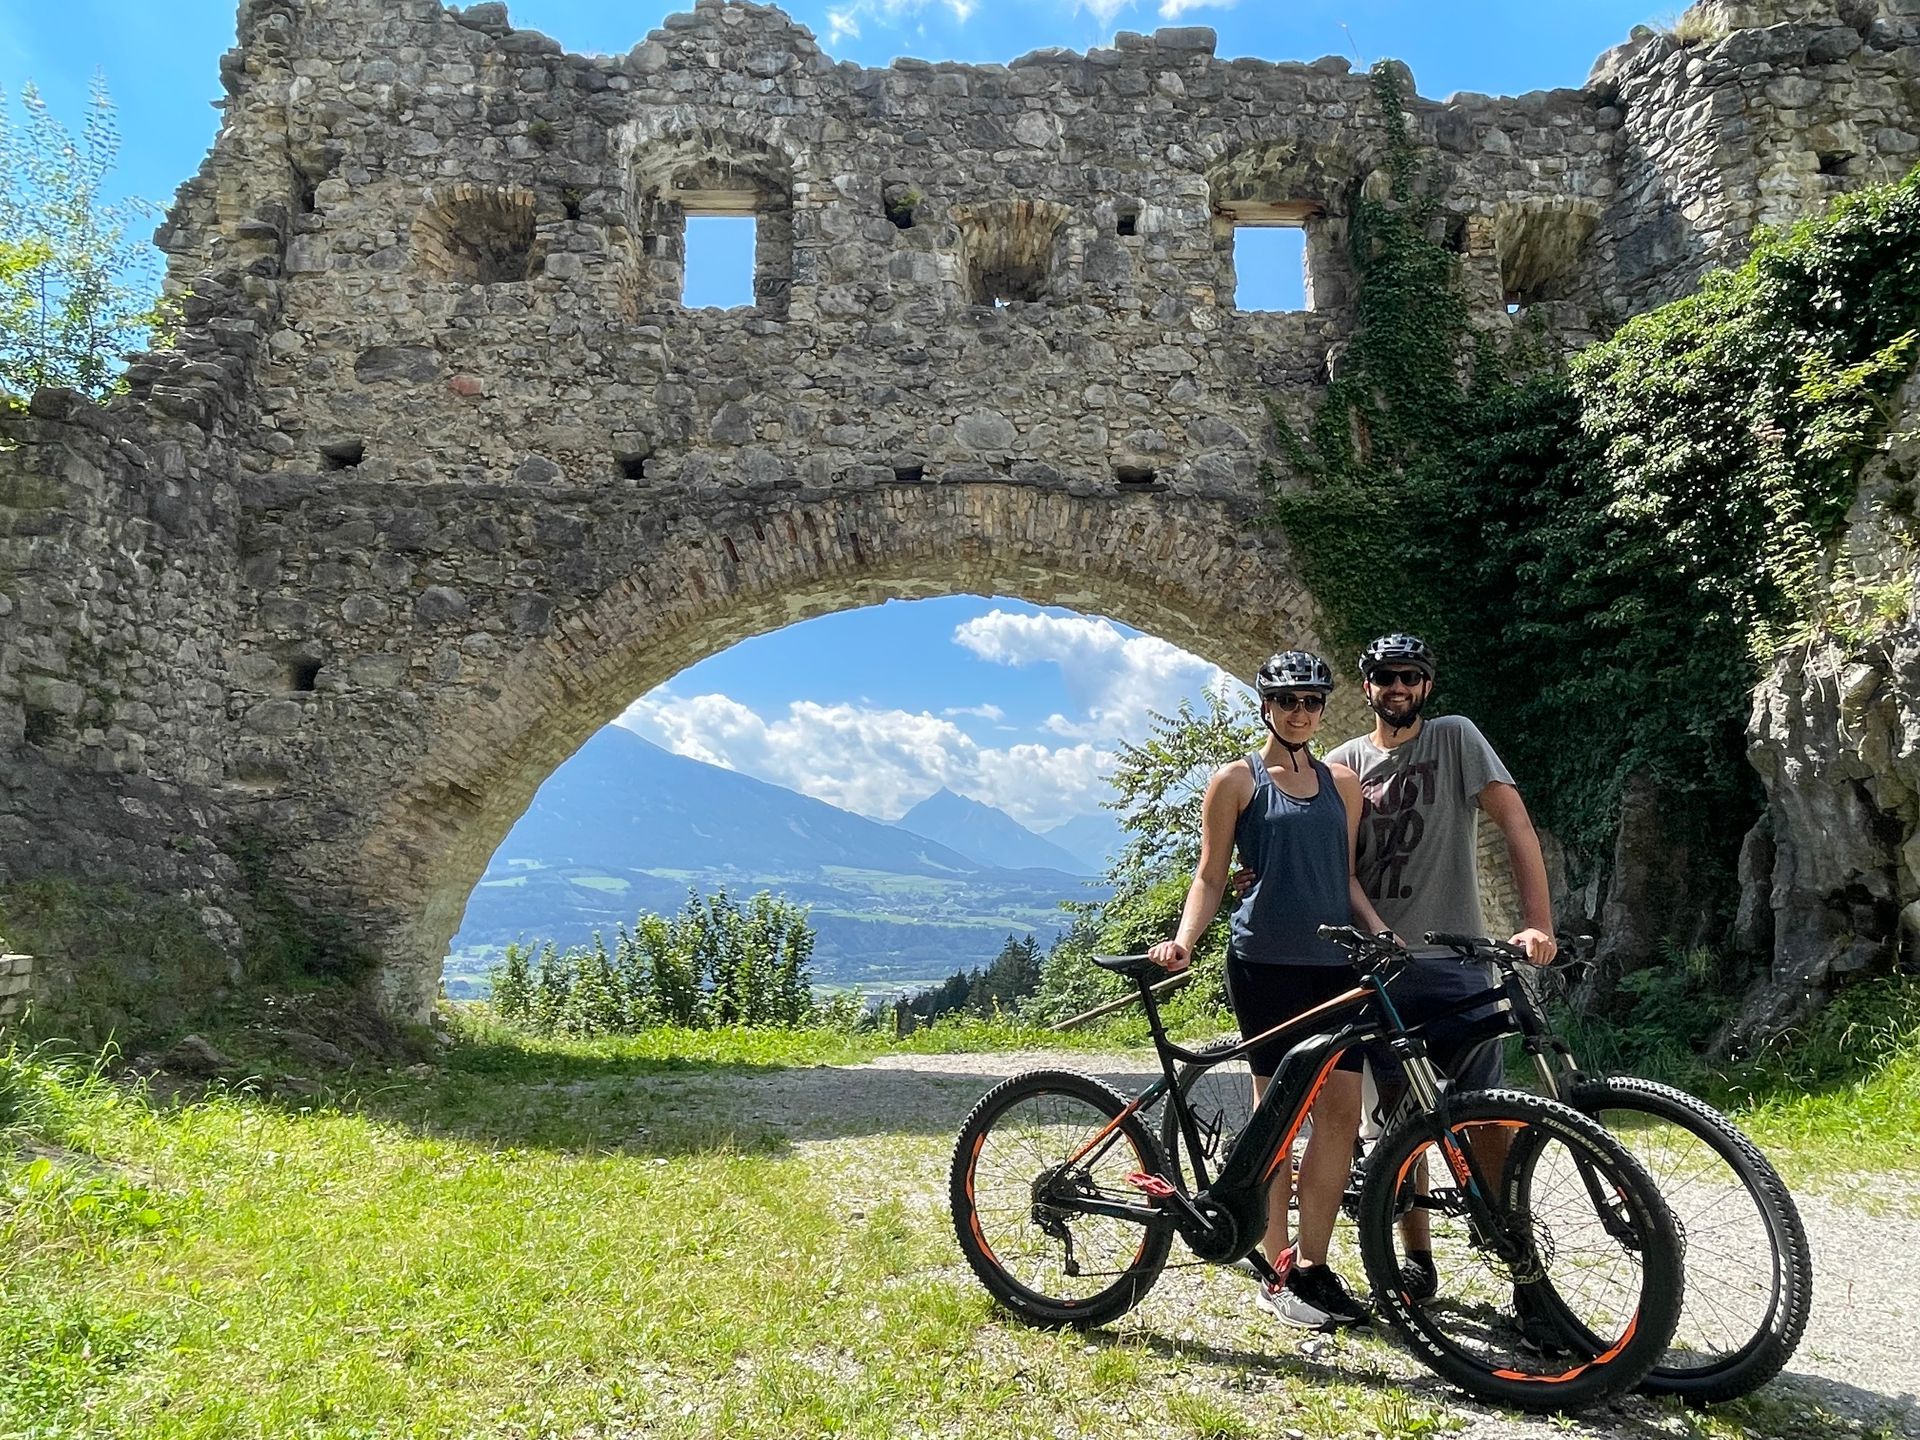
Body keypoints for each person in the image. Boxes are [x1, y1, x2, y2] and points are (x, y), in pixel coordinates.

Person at [1147, 651, 1390, 1330]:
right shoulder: (1237, 781)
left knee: (1341, 1115)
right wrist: (1185, 940)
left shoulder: (1343, 783)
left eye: (1312, 703)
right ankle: (1274, 1271)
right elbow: (1210, 874)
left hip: (1334, 966)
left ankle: (1313, 1265)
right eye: (1289, 703)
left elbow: (1343, 879)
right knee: (1277, 1119)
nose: (1302, 713)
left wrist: (1378, 929)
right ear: (1266, 707)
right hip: (1266, 967)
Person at [1323, 632, 1556, 1316]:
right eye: (1386, 677)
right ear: (1366, 686)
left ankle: (1525, 1276)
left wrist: (1537, 922)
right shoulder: (1343, 764)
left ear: (1426, 686)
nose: (1398, 688)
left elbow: (1514, 823)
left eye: (1411, 677)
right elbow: (1324, 860)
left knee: (1487, 1123)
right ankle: (1415, 1261)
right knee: (1400, 1124)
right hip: (1379, 971)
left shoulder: (1455, 737)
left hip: (1457, 962)